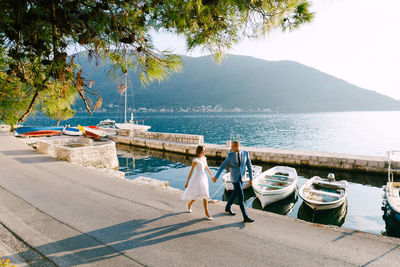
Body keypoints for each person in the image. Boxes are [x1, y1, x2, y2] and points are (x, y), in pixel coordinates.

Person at [212, 141, 254, 223]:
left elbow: (249, 166)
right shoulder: (230, 155)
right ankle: (245, 217)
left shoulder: (245, 153)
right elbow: (223, 165)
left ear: (238, 146)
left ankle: (228, 207)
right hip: (234, 178)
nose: (232, 148)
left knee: (235, 193)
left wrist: (251, 178)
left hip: (242, 177)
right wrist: (216, 176)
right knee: (241, 196)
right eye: (231, 147)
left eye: (233, 146)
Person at [182, 145, 214, 220]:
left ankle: (206, 213)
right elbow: (191, 172)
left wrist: (212, 176)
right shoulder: (195, 160)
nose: (204, 151)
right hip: (197, 178)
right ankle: (189, 204)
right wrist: (187, 182)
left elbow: (207, 168)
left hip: (204, 178)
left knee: (205, 195)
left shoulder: (204, 158)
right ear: (199, 151)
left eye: (204, 150)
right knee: (197, 195)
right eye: (203, 150)